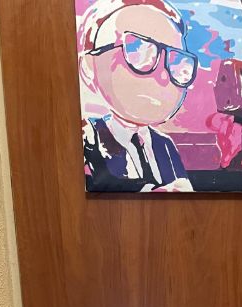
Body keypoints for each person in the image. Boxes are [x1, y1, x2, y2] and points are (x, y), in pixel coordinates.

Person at [77, 0, 198, 192]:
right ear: (88, 67)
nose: (163, 75)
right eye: (138, 50)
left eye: (176, 61)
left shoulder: (164, 144)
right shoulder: (87, 138)